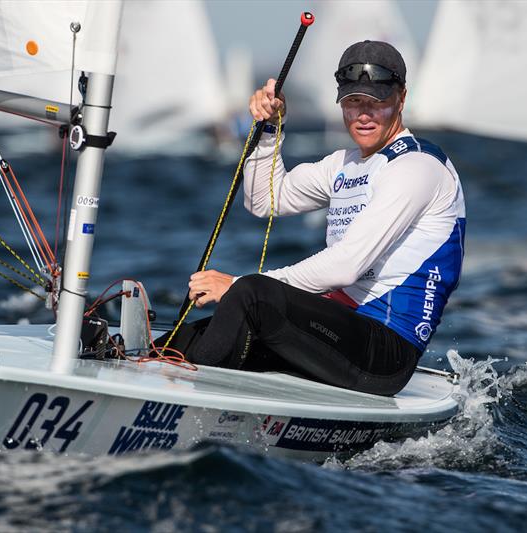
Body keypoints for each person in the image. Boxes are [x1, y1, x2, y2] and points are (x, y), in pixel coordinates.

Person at [178, 40, 465, 397]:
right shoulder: (344, 165)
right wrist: (268, 131)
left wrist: (235, 286)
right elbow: (265, 200)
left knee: (252, 296)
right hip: (339, 335)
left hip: (386, 353)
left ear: (401, 99)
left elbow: (345, 266)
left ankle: (188, 402)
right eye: (353, 102)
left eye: (376, 102)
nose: (363, 114)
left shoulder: (417, 167)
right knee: (189, 337)